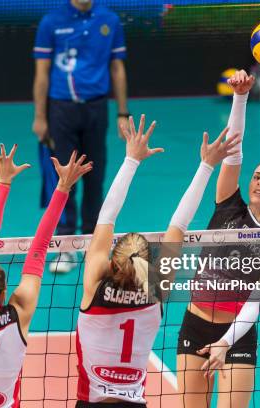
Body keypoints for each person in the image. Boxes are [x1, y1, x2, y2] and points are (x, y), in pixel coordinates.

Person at [76, 115, 240, 407]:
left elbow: (106, 217)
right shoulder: (157, 290)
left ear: (112, 264)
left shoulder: (95, 288)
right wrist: (206, 166)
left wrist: (131, 160)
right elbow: (180, 224)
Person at [176, 70, 260, 408]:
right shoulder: (229, 207)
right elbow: (233, 153)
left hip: (237, 335)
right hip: (195, 324)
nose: (259, 182)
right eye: (257, 176)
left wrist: (225, 342)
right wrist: (240, 97)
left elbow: (256, 302)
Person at [0, 145, 91, 408]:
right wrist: (63, 188)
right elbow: (40, 247)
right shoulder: (17, 315)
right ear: (3, 295)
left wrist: (2, 182)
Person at [32, 0, 130, 272]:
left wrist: (123, 112)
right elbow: (41, 74)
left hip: (96, 109)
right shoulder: (51, 22)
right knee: (65, 179)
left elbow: (117, 68)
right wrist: (40, 117)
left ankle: (91, 244)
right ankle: (65, 248)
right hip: (61, 111)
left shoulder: (109, 20)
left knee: (94, 178)